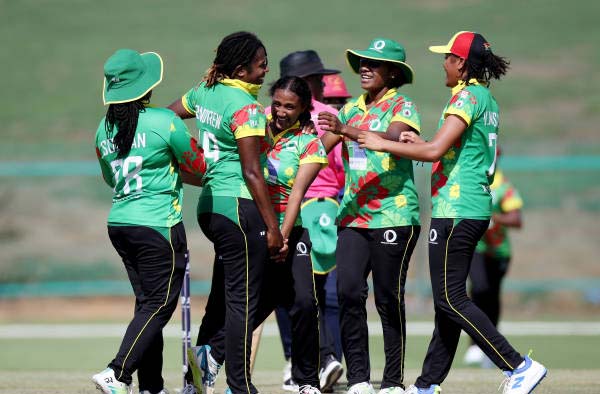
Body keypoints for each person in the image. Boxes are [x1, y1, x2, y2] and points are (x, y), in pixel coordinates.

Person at [357, 31, 547, 394]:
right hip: (469, 206)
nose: (442, 62)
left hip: (456, 209)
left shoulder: (465, 96)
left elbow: (433, 154)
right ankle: (427, 384)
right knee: (450, 300)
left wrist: (382, 142)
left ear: (460, 63)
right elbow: (446, 150)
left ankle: (519, 365)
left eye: (447, 57)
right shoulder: (485, 98)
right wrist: (422, 142)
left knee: (450, 298)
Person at [167, 31, 283, 394]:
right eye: (261, 65)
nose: (266, 71)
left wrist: (189, 156)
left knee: (224, 297)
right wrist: (273, 227)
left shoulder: (204, 91)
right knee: (245, 300)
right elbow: (251, 172)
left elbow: (167, 118)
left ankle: (201, 368)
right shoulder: (245, 108)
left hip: (210, 207)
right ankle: (239, 384)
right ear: (241, 69)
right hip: (239, 206)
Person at [92, 48, 206, 394]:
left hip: (120, 224)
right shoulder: (163, 121)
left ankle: (151, 387)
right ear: (147, 87)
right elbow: (199, 167)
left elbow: (112, 179)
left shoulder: (103, 129)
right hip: (157, 226)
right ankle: (117, 373)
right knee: (158, 305)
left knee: (147, 307)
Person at [318, 38, 422, 394]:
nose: (364, 68)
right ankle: (359, 379)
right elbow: (318, 151)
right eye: (361, 62)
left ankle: (393, 382)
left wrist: (345, 130)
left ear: (392, 73)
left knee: (387, 300)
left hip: (394, 215)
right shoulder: (349, 109)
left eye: (373, 64)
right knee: (347, 292)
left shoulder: (403, 106)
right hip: (352, 217)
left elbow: (391, 137)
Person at [266, 50, 345, 393]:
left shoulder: (276, 117)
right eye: (318, 77)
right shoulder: (326, 115)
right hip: (323, 205)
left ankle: (314, 359)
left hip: (298, 209)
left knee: (299, 294)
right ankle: (319, 359)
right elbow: (341, 168)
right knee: (310, 293)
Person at [463, 150, 524, 367]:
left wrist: (494, 217)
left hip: (499, 251)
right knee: (478, 289)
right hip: (477, 246)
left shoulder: (502, 185)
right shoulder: (470, 178)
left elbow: (517, 219)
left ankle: (492, 344)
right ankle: (474, 345)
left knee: (492, 295)